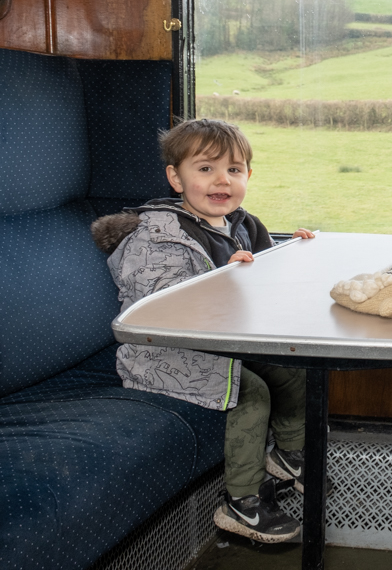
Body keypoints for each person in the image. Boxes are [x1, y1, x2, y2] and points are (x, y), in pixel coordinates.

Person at [90, 118, 316, 544]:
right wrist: (221, 280)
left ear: (249, 175)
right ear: (176, 178)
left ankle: (290, 454)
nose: (222, 180)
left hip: (223, 342)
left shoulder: (243, 224)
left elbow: (268, 278)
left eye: (234, 169)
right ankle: (243, 501)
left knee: (294, 368)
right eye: (206, 168)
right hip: (160, 353)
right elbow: (156, 307)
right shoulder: (155, 237)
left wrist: (292, 253)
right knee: (251, 393)